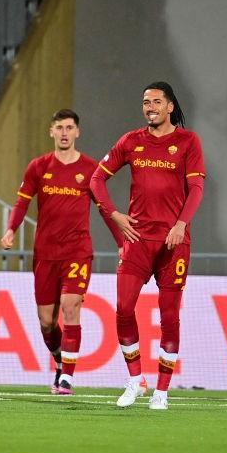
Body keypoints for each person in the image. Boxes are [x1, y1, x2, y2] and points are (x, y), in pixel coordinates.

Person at [89, 82, 206, 410]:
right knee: (123, 309)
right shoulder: (131, 141)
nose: (150, 106)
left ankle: (162, 392)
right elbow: (96, 179)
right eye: (145, 102)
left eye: (157, 101)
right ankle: (134, 381)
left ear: (170, 106)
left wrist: (181, 225)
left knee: (169, 317)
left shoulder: (187, 141)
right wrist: (114, 216)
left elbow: (196, 187)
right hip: (137, 241)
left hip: (174, 243)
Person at [0, 109, 112, 395]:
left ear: (77, 132)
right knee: (47, 321)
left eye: (69, 127)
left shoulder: (90, 169)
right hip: (45, 253)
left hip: (77, 250)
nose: (64, 132)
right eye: (59, 127)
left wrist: (122, 243)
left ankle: (67, 378)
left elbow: (105, 210)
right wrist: (12, 229)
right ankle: (61, 362)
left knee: (71, 306)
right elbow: (22, 202)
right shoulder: (38, 167)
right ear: (51, 131)